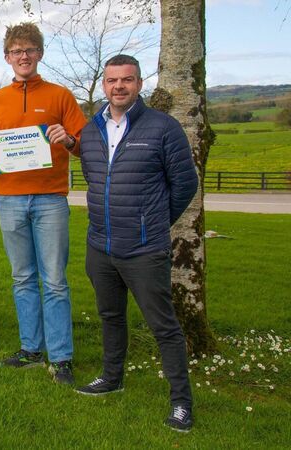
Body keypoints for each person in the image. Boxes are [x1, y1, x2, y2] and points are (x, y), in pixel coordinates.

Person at [74, 55, 198, 432]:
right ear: (105, 85)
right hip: (100, 246)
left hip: (144, 249)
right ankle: (112, 378)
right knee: (111, 316)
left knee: (163, 326)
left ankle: (181, 402)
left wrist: (152, 223)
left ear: (139, 84)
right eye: (112, 80)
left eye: (126, 80)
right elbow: (94, 177)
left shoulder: (163, 127)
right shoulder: (91, 130)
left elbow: (185, 184)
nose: (119, 87)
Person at [0, 23, 86, 384]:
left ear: (40, 54)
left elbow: (84, 145)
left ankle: (61, 357)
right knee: (22, 278)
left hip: (50, 200)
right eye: (17, 51)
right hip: (10, 200)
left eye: (30, 50)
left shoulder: (60, 96)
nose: (24, 56)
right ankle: (31, 350)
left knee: (54, 280)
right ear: (7, 57)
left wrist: (69, 140)